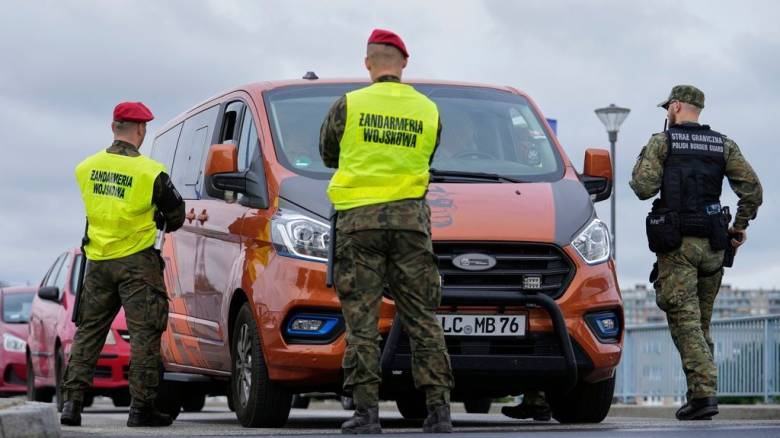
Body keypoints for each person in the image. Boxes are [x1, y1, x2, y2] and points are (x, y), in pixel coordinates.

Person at [320, 29, 454, 434]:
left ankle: (367, 414)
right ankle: (439, 411)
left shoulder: (349, 105)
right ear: (404, 63)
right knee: (422, 317)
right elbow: (428, 156)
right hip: (411, 223)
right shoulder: (428, 109)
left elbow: (329, 154)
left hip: (359, 224)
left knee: (362, 322)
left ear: (368, 63)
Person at [630, 85, 762, 420]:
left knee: (685, 322)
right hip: (714, 245)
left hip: (678, 246)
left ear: (675, 106)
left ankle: (704, 395)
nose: (667, 113)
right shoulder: (723, 144)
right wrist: (739, 225)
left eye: (667, 108)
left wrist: (646, 156)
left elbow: (643, 188)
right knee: (701, 324)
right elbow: (753, 190)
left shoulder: (663, 142)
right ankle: (699, 394)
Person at [60, 102, 185, 427]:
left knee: (89, 333)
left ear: (113, 127)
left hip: (98, 262)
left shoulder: (86, 168)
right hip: (137, 263)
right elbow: (177, 215)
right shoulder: (150, 172)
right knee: (144, 334)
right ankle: (140, 409)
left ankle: (71, 405)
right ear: (141, 130)